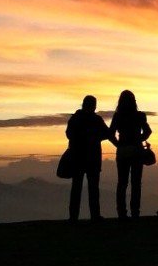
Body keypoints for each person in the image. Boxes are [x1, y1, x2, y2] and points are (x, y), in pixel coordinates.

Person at [65, 94, 113, 222]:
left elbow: (69, 134)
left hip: (78, 157)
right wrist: (95, 138)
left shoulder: (75, 118)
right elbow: (107, 133)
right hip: (92, 158)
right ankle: (95, 216)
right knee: (93, 188)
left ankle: (74, 217)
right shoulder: (96, 120)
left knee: (77, 188)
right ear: (93, 106)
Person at [109, 90, 152, 220]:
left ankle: (122, 213)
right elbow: (148, 131)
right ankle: (135, 212)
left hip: (122, 152)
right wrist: (139, 139)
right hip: (137, 151)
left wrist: (119, 145)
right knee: (136, 183)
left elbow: (110, 134)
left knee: (122, 183)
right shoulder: (139, 116)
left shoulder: (118, 116)